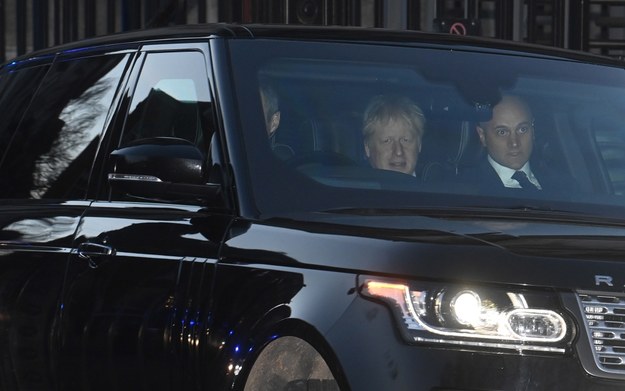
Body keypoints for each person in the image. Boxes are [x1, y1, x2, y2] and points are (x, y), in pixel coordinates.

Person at [463, 94, 574, 193]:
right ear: (482, 136)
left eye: (522, 129)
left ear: (533, 130)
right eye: (502, 132)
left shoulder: (566, 186)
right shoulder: (465, 190)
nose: (514, 143)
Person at [362, 94, 426, 176]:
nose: (398, 151)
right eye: (387, 141)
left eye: (405, 140)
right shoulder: (350, 188)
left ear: (419, 144)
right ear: (367, 148)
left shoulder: (436, 188)